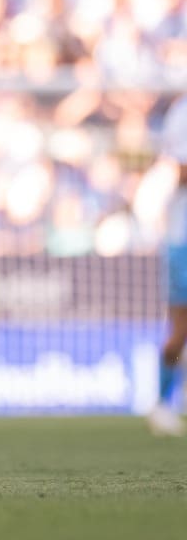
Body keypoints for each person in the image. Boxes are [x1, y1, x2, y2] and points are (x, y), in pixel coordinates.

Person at [148, 94, 187, 436]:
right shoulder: (182, 111)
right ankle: (162, 402)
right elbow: (180, 169)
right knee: (180, 327)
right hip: (183, 237)